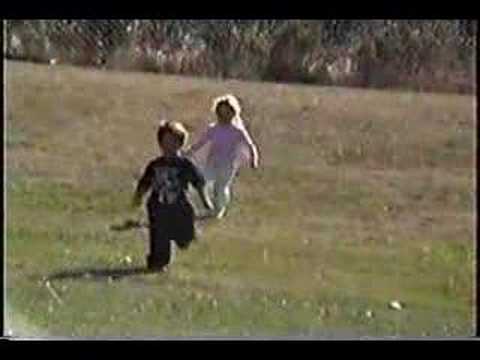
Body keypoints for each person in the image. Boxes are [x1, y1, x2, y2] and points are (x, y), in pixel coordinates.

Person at [132, 121, 213, 271]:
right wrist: (137, 198)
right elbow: (144, 183)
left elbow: (198, 183)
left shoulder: (185, 164)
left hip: (179, 206)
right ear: (160, 143)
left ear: (180, 143)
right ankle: (157, 262)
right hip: (158, 207)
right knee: (159, 236)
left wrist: (205, 201)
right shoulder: (155, 165)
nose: (169, 146)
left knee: (185, 236)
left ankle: (184, 237)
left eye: (173, 141)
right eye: (165, 142)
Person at [185, 94, 260, 219]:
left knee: (221, 187)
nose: (224, 116)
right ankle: (206, 206)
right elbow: (201, 142)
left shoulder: (237, 131)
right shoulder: (213, 129)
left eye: (227, 113)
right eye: (221, 113)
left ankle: (218, 210)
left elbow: (250, 145)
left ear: (233, 113)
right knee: (202, 181)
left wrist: (254, 159)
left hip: (228, 164)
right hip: (212, 161)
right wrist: (189, 152)